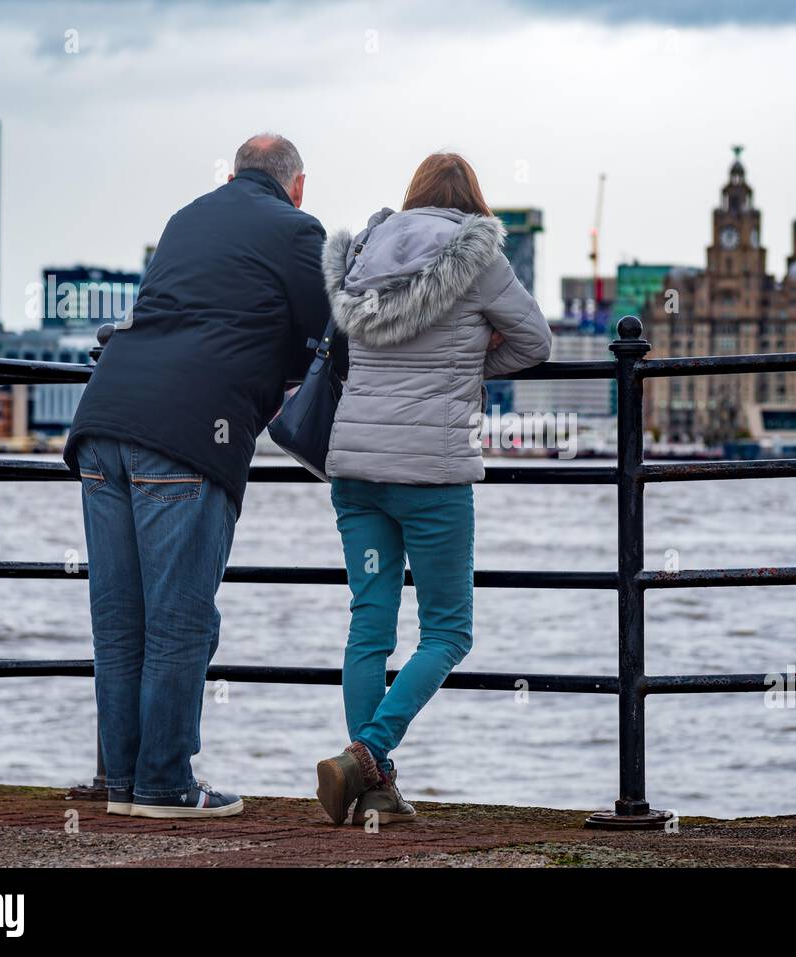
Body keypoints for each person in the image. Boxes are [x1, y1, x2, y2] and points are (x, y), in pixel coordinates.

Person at [65, 133, 340, 818]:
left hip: (103, 421)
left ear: (233, 174)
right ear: (297, 185)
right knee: (181, 620)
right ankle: (163, 784)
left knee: (120, 619)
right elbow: (330, 331)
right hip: (187, 435)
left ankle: (123, 784)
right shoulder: (298, 229)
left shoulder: (186, 218)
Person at [313, 152, 551, 826]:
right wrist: (474, 364)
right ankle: (368, 754)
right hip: (432, 472)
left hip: (355, 469)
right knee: (448, 629)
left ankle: (375, 789)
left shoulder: (362, 252)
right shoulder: (477, 255)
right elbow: (536, 340)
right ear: (471, 198)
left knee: (369, 625)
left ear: (412, 196)